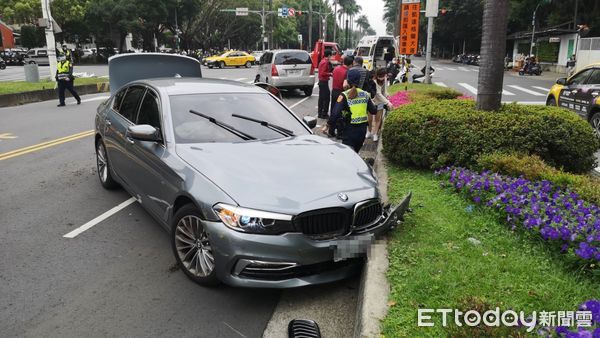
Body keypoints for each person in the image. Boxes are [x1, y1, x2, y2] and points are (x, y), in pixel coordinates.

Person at [323, 68, 377, 153]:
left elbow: (335, 113)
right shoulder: (365, 94)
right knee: (356, 154)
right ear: (360, 80)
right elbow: (374, 111)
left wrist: (328, 125)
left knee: (348, 156)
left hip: (349, 131)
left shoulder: (344, 95)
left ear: (348, 80)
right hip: (362, 131)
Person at [367, 68, 392, 142]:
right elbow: (378, 93)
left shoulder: (384, 79)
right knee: (369, 119)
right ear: (377, 76)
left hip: (380, 102)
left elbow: (384, 90)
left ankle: (375, 134)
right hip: (372, 101)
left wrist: (387, 95)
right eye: (383, 76)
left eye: (385, 76)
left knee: (378, 119)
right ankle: (368, 131)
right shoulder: (374, 81)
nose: (384, 78)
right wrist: (387, 102)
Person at [317, 50, 333, 119]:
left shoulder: (322, 61)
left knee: (321, 98)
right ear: (329, 55)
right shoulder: (325, 62)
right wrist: (330, 74)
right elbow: (323, 73)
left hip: (322, 82)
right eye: (330, 55)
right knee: (326, 98)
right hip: (324, 82)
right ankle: (324, 114)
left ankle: (320, 113)